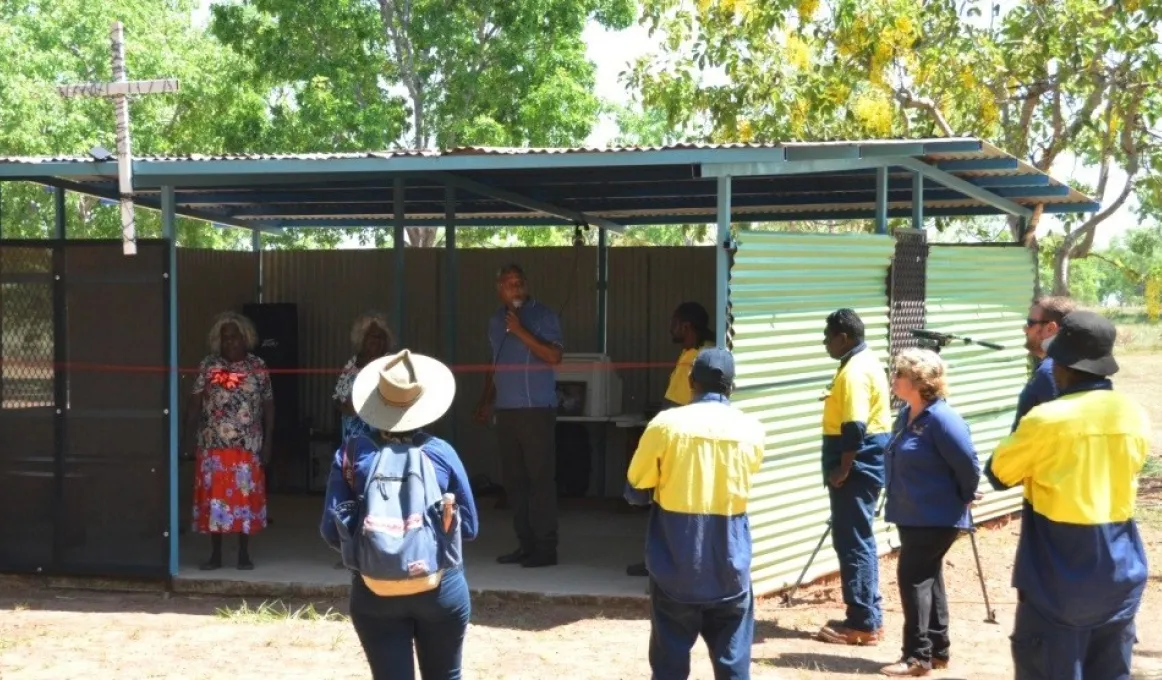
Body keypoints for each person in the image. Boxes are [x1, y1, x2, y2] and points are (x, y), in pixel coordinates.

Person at [985, 311, 1150, 680]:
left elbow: (998, 473)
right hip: (1120, 571)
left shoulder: (1047, 420)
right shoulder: (1134, 414)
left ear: (1061, 365)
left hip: (1056, 577)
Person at [321, 349, 479, 680]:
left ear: (376, 404)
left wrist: (378, 550)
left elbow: (330, 530)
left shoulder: (351, 453)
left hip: (373, 590)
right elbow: (470, 528)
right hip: (441, 589)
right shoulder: (441, 453)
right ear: (425, 406)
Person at [625, 348, 765, 680]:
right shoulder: (752, 429)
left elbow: (635, 487)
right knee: (733, 665)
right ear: (732, 386)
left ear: (690, 381)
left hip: (676, 565)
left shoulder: (665, 426)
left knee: (670, 662)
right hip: (731, 565)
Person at [879, 349, 981, 677]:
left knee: (913, 579)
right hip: (912, 513)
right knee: (928, 577)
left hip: (936, 516)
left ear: (919, 382)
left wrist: (965, 495)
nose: (893, 380)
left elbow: (968, 463)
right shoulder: (907, 414)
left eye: (899, 375)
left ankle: (916, 657)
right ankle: (938, 650)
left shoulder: (942, 419)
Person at [475, 263, 564, 568]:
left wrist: (521, 331)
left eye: (519, 282)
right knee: (515, 482)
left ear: (527, 285)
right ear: (499, 289)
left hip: (536, 410)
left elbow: (554, 356)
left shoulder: (544, 315)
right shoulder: (495, 321)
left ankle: (545, 548)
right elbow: (494, 363)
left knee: (540, 480)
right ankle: (525, 544)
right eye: (508, 283)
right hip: (507, 410)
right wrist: (487, 400)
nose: (515, 287)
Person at [816, 308, 892, 646]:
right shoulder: (864, 362)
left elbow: (854, 426)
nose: (824, 342)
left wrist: (844, 468)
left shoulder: (854, 372)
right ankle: (866, 615)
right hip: (866, 461)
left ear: (843, 338)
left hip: (856, 466)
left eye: (827, 335)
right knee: (858, 539)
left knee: (852, 542)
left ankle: (862, 623)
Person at [626, 301, 716, 578]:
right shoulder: (694, 351)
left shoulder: (699, 356)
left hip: (681, 445)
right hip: (682, 441)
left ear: (686, 326)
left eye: (674, 322)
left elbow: (675, 407)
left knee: (668, 511)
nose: (670, 327)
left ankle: (664, 563)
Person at [183, 311, 274, 571]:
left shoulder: (258, 367)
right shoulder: (208, 365)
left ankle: (244, 553)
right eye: (225, 339)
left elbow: (269, 406)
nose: (230, 343)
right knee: (216, 502)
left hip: (247, 446)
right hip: (213, 446)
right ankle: (216, 554)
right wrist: (185, 439)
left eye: (235, 338)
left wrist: (268, 443)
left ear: (245, 338)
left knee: (243, 502)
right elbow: (194, 404)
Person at [1013, 296, 1076, 430]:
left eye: (1030, 323)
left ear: (1050, 328)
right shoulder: (1074, 367)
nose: (1025, 329)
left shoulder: (1049, 373)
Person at [333, 311, 394, 441]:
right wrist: (345, 406)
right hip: (352, 435)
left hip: (378, 435)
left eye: (381, 337)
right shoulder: (352, 364)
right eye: (373, 336)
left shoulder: (389, 364)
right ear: (362, 338)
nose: (377, 341)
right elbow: (338, 397)